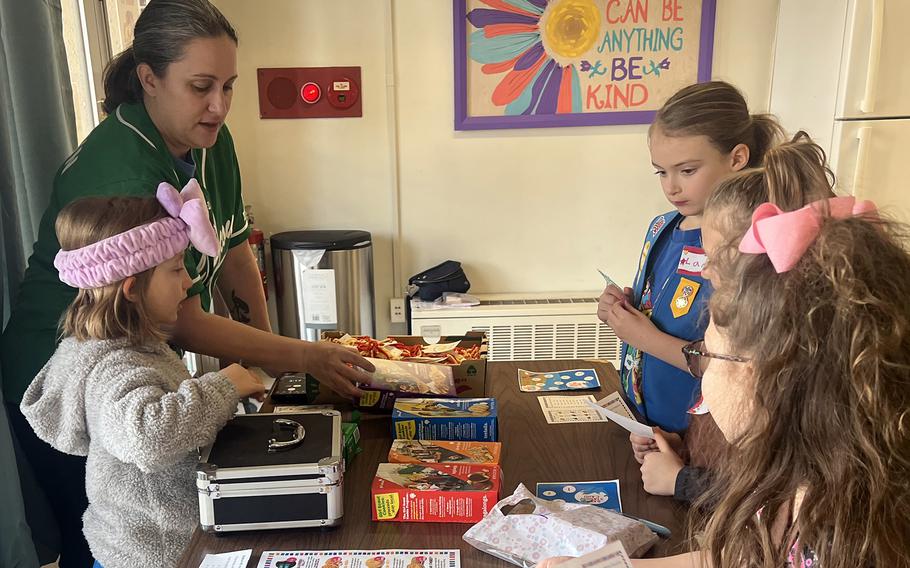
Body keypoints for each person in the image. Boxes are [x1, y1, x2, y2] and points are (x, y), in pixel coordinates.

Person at [0, 1, 372, 564]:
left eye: (228, 86)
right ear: (148, 79)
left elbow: (236, 246)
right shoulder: (125, 175)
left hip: (140, 352)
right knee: (114, 531)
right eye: (201, 86)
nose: (219, 106)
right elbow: (187, 320)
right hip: (64, 370)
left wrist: (272, 371)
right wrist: (296, 356)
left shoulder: (208, 138)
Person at [540, 194, 910, 567]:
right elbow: (741, 556)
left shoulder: (850, 543)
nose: (703, 379)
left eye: (707, 356)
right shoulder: (798, 487)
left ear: (771, 383)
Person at [20, 186, 267, 568]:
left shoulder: (135, 346)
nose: (187, 283)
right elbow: (148, 438)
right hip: (153, 556)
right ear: (133, 288)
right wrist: (224, 386)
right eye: (176, 270)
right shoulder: (112, 368)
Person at [636, 132, 837, 501]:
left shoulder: (802, 385)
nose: (707, 270)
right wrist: (685, 456)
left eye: (719, 362)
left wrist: (684, 481)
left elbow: (774, 497)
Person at [598, 80, 783, 435]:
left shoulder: (754, 241)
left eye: (687, 170)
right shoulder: (662, 228)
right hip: (650, 425)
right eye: (661, 172)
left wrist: (644, 338)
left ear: (737, 158)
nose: (672, 187)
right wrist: (621, 309)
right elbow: (661, 306)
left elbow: (742, 363)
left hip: (708, 440)